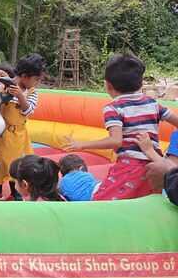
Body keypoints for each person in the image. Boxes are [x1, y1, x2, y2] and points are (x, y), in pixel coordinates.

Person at [65, 54, 178, 200]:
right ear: (141, 83)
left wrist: (82, 145)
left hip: (130, 166)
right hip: (154, 168)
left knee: (102, 201)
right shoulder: (152, 103)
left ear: (108, 85)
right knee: (145, 202)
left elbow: (116, 141)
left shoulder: (114, 108)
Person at [0, 54, 45, 199]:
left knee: (16, 165)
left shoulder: (31, 92)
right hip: (1, 135)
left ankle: (16, 192)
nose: (37, 83)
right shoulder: (3, 86)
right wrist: (1, 93)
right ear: (25, 76)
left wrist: (20, 96)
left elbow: (28, 111)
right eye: (36, 79)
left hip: (18, 136)